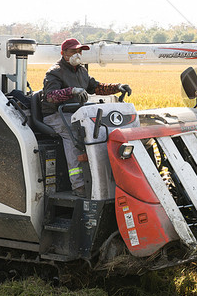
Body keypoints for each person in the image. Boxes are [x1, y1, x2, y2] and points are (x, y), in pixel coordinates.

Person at [42, 38, 132, 197]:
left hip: (76, 113)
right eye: (73, 51)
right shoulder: (54, 72)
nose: (77, 54)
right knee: (73, 135)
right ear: (63, 53)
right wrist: (71, 91)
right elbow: (50, 96)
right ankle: (79, 185)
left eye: (79, 51)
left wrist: (117, 87)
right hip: (56, 115)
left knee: (99, 133)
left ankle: (102, 178)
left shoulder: (82, 71)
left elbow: (96, 87)